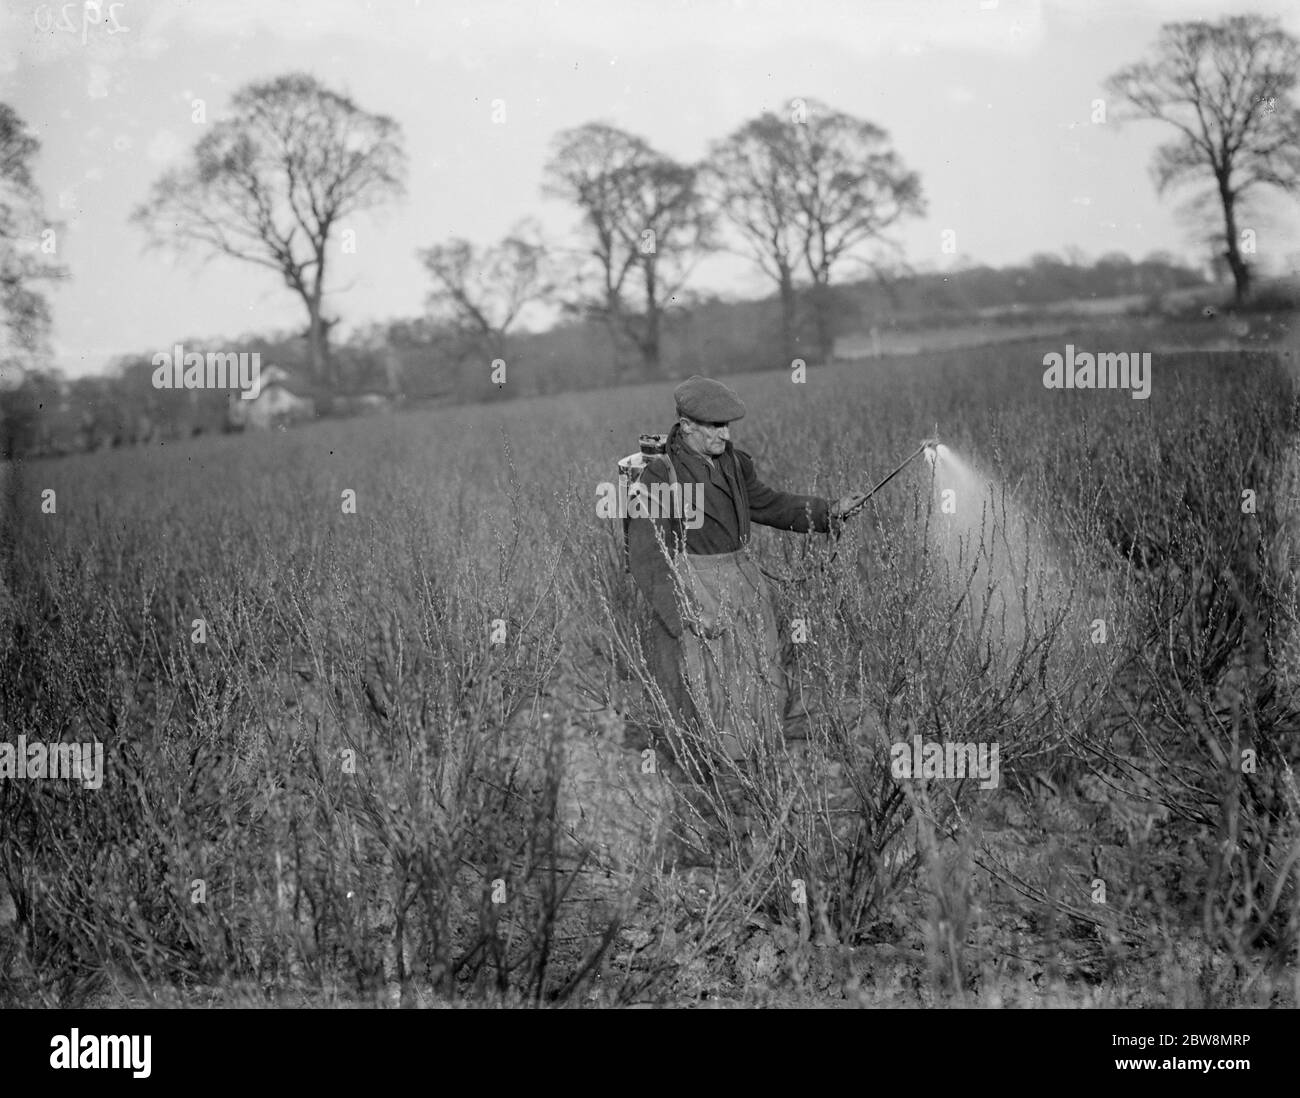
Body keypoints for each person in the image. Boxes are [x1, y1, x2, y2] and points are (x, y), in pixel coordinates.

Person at [626, 375, 867, 854]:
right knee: (710, 699)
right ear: (686, 426)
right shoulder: (659, 477)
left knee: (761, 686)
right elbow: (648, 554)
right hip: (694, 588)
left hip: (744, 584)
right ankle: (722, 821)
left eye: (728, 427)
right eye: (715, 427)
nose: (725, 436)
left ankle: (761, 797)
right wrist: (686, 614)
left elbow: (769, 504)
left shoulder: (733, 463)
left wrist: (827, 512)